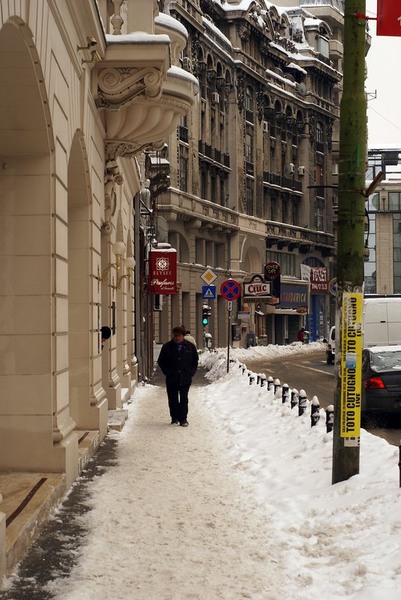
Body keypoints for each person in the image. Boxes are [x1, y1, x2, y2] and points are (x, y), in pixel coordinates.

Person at [157, 326, 199, 427]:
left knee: (184, 398)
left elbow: (195, 360)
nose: (176, 337)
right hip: (172, 377)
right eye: (175, 335)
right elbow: (161, 361)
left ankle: (183, 419)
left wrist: (191, 372)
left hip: (185, 377)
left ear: (183, 336)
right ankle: (174, 417)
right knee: (173, 399)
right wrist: (167, 372)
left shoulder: (190, 347)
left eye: (179, 335)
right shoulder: (167, 347)